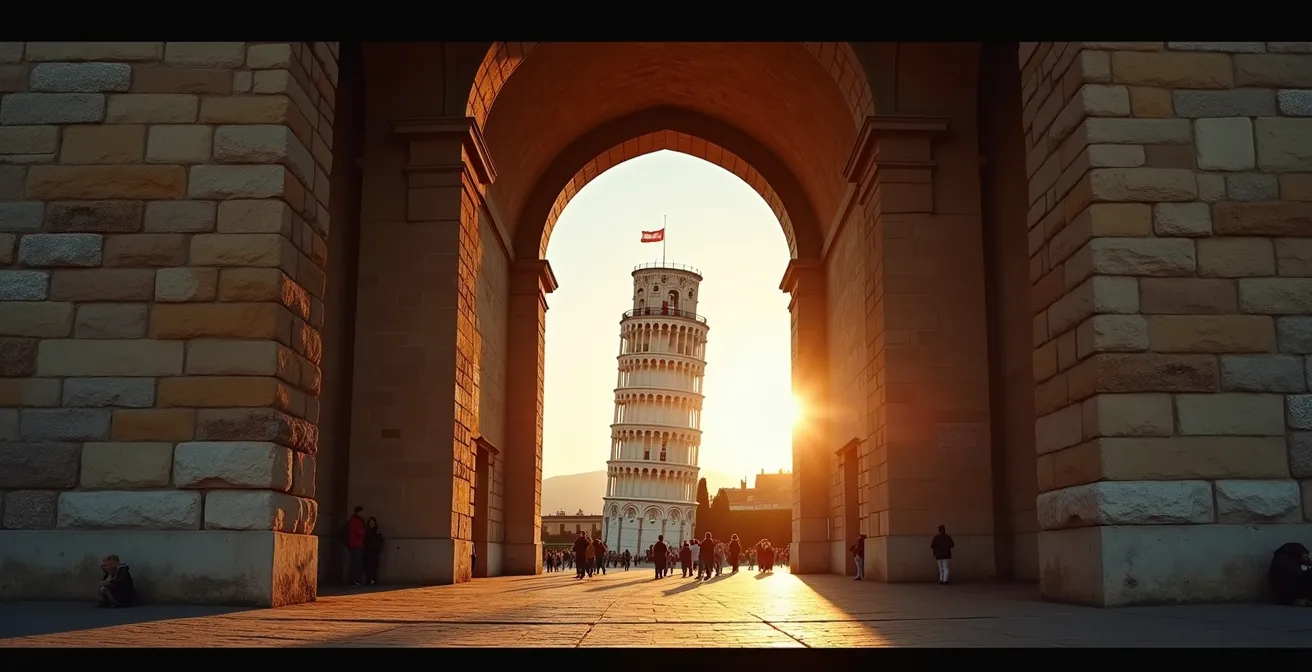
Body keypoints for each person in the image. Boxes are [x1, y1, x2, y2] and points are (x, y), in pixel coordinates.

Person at [340, 505, 367, 586]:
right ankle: (355, 580)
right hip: (356, 544)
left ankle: (354, 579)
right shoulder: (356, 520)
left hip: (355, 544)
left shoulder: (353, 519)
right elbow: (358, 532)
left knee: (355, 562)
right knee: (356, 563)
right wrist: (364, 532)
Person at [363, 517, 385, 585]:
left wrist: (378, 548)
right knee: (369, 566)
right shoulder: (367, 532)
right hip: (368, 551)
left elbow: (380, 540)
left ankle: (373, 579)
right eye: (371, 523)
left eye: (373, 523)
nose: (372, 524)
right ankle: (369, 580)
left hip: (375, 551)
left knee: (374, 566)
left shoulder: (377, 532)